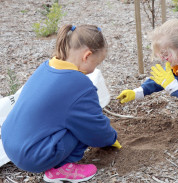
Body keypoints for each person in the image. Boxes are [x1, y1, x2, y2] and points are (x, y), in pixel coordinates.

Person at [1, 24, 121, 183]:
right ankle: (61, 169)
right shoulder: (80, 85)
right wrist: (110, 138)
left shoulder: (47, 66)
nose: (94, 69)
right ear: (86, 56)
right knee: (81, 127)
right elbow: (94, 127)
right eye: (96, 63)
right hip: (31, 156)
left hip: (9, 141)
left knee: (68, 118)